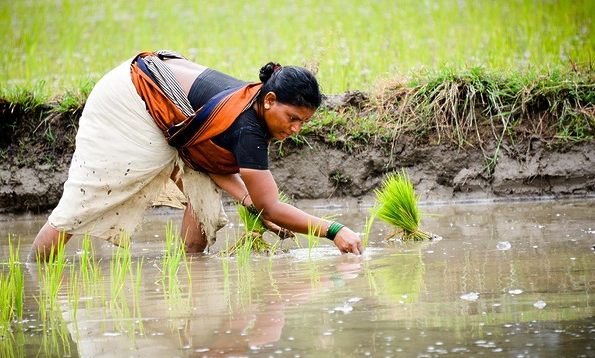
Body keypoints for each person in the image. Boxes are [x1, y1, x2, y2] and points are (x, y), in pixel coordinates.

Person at [29, 50, 364, 261]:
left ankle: (191, 267)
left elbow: (205, 155)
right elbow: (269, 204)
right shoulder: (248, 128)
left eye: (303, 123)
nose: (295, 131)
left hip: (160, 94)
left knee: (203, 196)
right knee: (82, 204)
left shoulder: (253, 104)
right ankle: (36, 273)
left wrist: (249, 202)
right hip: (130, 98)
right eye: (292, 119)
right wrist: (334, 231)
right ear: (270, 99)